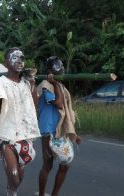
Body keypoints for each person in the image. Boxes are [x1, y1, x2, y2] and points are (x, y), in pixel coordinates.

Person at [0, 47, 40, 195]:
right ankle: (11, 189)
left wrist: (32, 82)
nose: (19, 61)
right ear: (6, 62)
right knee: (13, 176)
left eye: (22, 58)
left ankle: (11, 191)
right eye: (15, 57)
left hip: (25, 137)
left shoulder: (26, 83)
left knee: (19, 177)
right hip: (6, 137)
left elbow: (34, 106)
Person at [37, 56, 81, 196]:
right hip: (48, 131)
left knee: (65, 165)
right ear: (50, 72)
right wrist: (54, 83)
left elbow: (66, 112)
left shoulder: (60, 86)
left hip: (59, 130)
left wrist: (74, 133)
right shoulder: (46, 85)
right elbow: (59, 104)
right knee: (48, 165)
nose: (61, 73)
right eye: (58, 70)